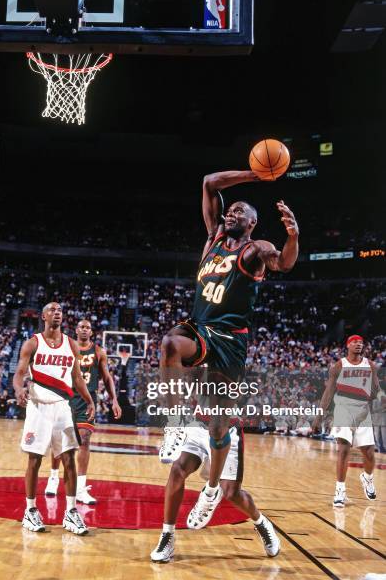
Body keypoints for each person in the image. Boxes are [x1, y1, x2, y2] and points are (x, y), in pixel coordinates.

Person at [159, 169, 299, 529]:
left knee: (220, 427)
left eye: (240, 212)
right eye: (229, 209)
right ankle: (173, 424)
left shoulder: (256, 249)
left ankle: (212, 491)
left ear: (252, 223)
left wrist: (293, 235)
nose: (230, 214)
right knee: (171, 342)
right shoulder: (213, 239)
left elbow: (283, 262)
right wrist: (257, 174)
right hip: (201, 329)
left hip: (231, 342)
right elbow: (208, 181)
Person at [151, 386, 280, 562]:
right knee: (177, 470)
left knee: (231, 493)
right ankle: (167, 536)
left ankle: (261, 522)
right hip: (198, 425)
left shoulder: (231, 361)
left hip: (228, 428)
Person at [13, 302, 95, 535]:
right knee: (35, 459)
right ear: (43, 316)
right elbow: (19, 374)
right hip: (38, 407)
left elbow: (77, 378)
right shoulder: (33, 343)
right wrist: (19, 389)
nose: (57, 313)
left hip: (62, 408)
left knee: (69, 458)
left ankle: (70, 512)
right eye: (52, 310)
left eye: (60, 310)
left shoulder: (71, 345)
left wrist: (89, 400)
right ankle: (30, 510)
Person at [45, 319, 122, 504]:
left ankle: (80, 488)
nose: (84, 329)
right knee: (59, 440)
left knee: (85, 440)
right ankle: (54, 478)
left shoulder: (98, 351)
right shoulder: (66, 347)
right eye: (81, 327)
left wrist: (114, 400)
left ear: (91, 332)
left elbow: (107, 377)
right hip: (65, 397)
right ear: (76, 330)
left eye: (88, 327)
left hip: (87, 401)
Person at [313, 335, 381, 507]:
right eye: (355, 342)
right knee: (343, 450)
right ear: (348, 345)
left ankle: (367, 477)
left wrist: (381, 397)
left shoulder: (370, 365)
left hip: (363, 410)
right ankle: (340, 490)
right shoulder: (339, 365)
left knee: (370, 454)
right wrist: (319, 417)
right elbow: (328, 392)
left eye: (361, 342)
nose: (358, 344)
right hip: (343, 408)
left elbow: (377, 389)